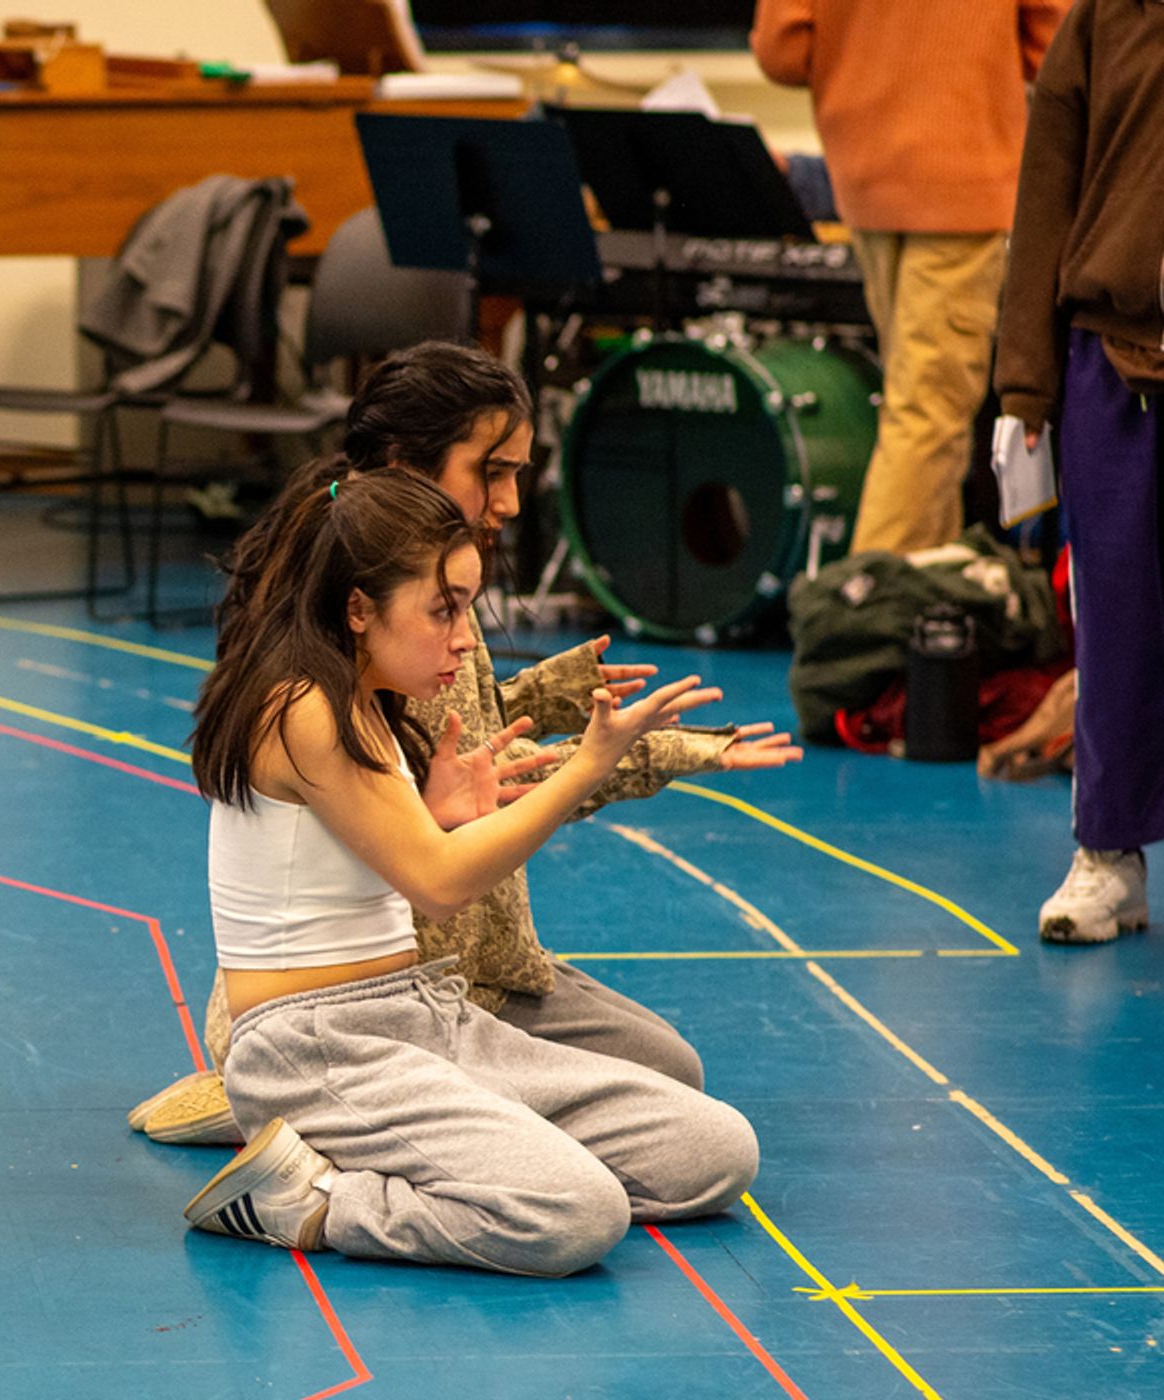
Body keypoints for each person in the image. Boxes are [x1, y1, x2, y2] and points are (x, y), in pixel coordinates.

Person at [130, 343, 803, 1146]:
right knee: (656, 1098)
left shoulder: (421, 593)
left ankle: (340, 1105)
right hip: (396, 984)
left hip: (463, 965)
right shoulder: (372, 629)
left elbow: (463, 753)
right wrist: (655, 752)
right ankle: (294, 1106)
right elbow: (492, 792)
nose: (512, 501)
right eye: (493, 470)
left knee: (667, 1073)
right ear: (399, 465)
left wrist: (545, 694)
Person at [179, 469, 761, 1273]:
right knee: (577, 1215)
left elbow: (384, 856)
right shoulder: (301, 706)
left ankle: (471, 1160)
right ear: (357, 609)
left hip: (423, 1016)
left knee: (717, 1149)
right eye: (443, 608)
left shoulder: (364, 699)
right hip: (316, 1051)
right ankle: (314, 1201)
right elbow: (440, 883)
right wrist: (582, 768)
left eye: (467, 609)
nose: (463, 635)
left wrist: (435, 811)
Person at [750, 0, 1071, 555]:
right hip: (963, 179)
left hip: (863, 176)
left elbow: (782, 51)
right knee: (928, 412)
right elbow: (1059, 43)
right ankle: (865, 614)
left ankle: (925, 603)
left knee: (915, 406)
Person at [994, 0, 1162, 944]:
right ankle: (1108, 856)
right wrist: (1025, 386)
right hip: (1117, 357)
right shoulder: (1106, 16)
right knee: (1119, 620)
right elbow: (1046, 189)